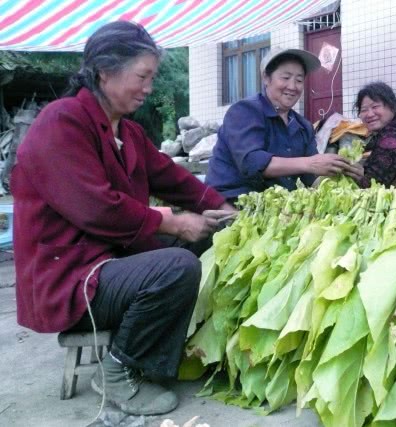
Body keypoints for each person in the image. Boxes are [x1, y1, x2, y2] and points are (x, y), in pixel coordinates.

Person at [11, 21, 235, 416]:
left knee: (206, 237)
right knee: (177, 266)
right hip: (72, 276)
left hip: (112, 259)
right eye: (142, 76)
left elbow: (173, 177)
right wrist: (170, 221)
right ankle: (117, 372)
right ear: (105, 71)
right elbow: (97, 208)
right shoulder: (62, 121)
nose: (148, 87)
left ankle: (164, 346)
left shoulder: (126, 131)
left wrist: (222, 208)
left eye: (151, 77)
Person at [205, 46, 362, 202]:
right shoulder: (245, 111)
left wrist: (343, 171)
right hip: (229, 202)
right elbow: (251, 162)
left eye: (299, 80)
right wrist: (309, 163)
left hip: (275, 207)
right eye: (285, 78)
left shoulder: (303, 126)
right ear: (266, 78)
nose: (293, 86)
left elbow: (311, 177)